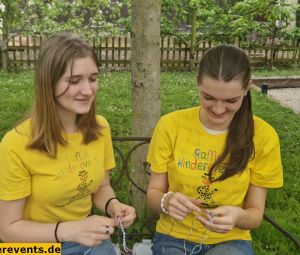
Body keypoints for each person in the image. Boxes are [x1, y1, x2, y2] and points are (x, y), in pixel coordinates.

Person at [0, 33, 136, 255]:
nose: (88, 90)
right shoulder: (16, 144)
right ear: (48, 83)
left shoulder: (100, 128)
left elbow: (101, 187)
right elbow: (8, 230)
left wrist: (113, 205)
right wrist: (68, 231)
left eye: (93, 78)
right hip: (33, 246)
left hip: (85, 238)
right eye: (74, 81)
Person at [146, 45, 283, 255]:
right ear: (197, 83)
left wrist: (237, 216)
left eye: (231, 100)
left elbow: (255, 215)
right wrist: (167, 201)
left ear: (247, 88)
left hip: (231, 240)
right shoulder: (170, 125)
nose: (219, 110)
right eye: (208, 97)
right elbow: (154, 195)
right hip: (174, 237)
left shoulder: (263, 136)